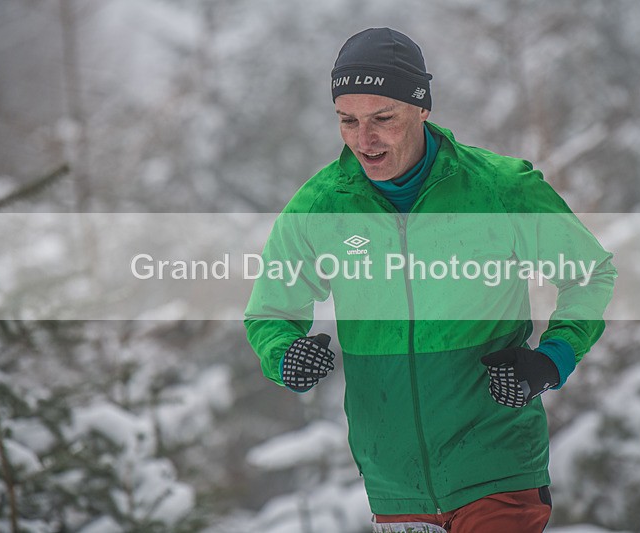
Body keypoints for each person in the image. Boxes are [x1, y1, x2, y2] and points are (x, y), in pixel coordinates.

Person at [245, 27, 617, 533]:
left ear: (422, 108)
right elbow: (270, 310)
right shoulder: (320, 207)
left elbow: (589, 273)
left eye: (382, 118)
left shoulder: (500, 189)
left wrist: (553, 359)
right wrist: (283, 354)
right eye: (347, 121)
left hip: (496, 470)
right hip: (394, 486)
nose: (364, 139)